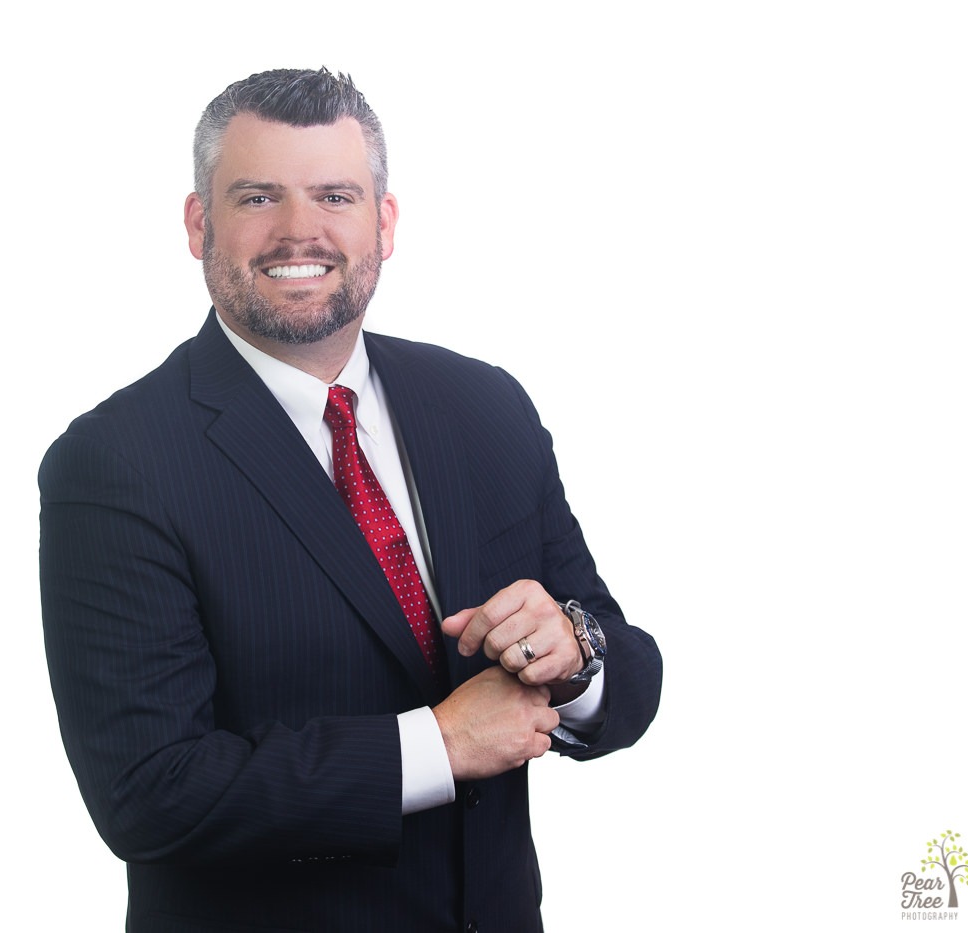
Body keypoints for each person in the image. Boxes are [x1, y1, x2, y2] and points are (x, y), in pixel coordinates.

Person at [40, 67, 662, 933]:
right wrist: (438, 745)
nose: (300, 230)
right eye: (257, 197)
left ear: (386, 220)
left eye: (335, 194)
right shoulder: (114, 462)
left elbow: (627, 671)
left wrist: (576, 656)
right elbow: (150, 793)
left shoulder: (486, 406)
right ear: (198, 223)